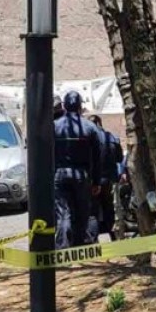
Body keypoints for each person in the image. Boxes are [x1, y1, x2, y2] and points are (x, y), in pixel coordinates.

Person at [54, 90, 103, 249]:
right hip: (82, 175)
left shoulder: (54, 126)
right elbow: (97, 156)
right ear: (80, 106)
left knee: (63, 214)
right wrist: (97, 181)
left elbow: (47, 153)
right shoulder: (90, 127)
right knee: (83, 212)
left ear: (64, 106)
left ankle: (63, 247)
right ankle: (81, 246)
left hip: (60, 174)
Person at [88, 114, 123, 238]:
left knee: (93, 212)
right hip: (110, 180)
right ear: (100, 123)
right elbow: (120, 158)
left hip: (93, 181)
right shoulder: (112, 137)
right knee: (111, 210)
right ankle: (115, 237)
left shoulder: (88, 140)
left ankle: (93, 239)